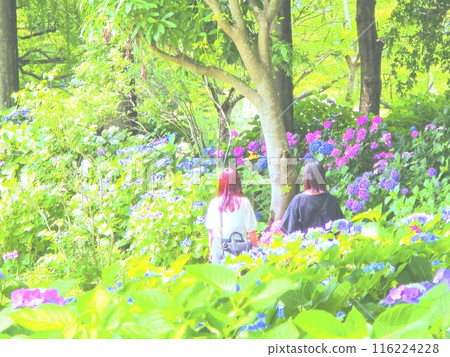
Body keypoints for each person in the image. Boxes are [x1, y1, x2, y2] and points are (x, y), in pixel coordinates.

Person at [205, 167, 258, 264]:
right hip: (240, 247)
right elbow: (251, 231)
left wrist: (211, 250)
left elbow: (211, 232)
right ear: (237, 183)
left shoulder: (214, 203)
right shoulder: (244, 202)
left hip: (219, 246)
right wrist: (256, 250)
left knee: (220, 278)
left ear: (221, 184)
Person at [281, 160, 344, 235]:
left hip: (306, 245)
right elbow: (341, 228)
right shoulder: (332, 200)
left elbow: (288, 230)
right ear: (323, 176)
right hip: (330, 245)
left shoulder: (298, 200)